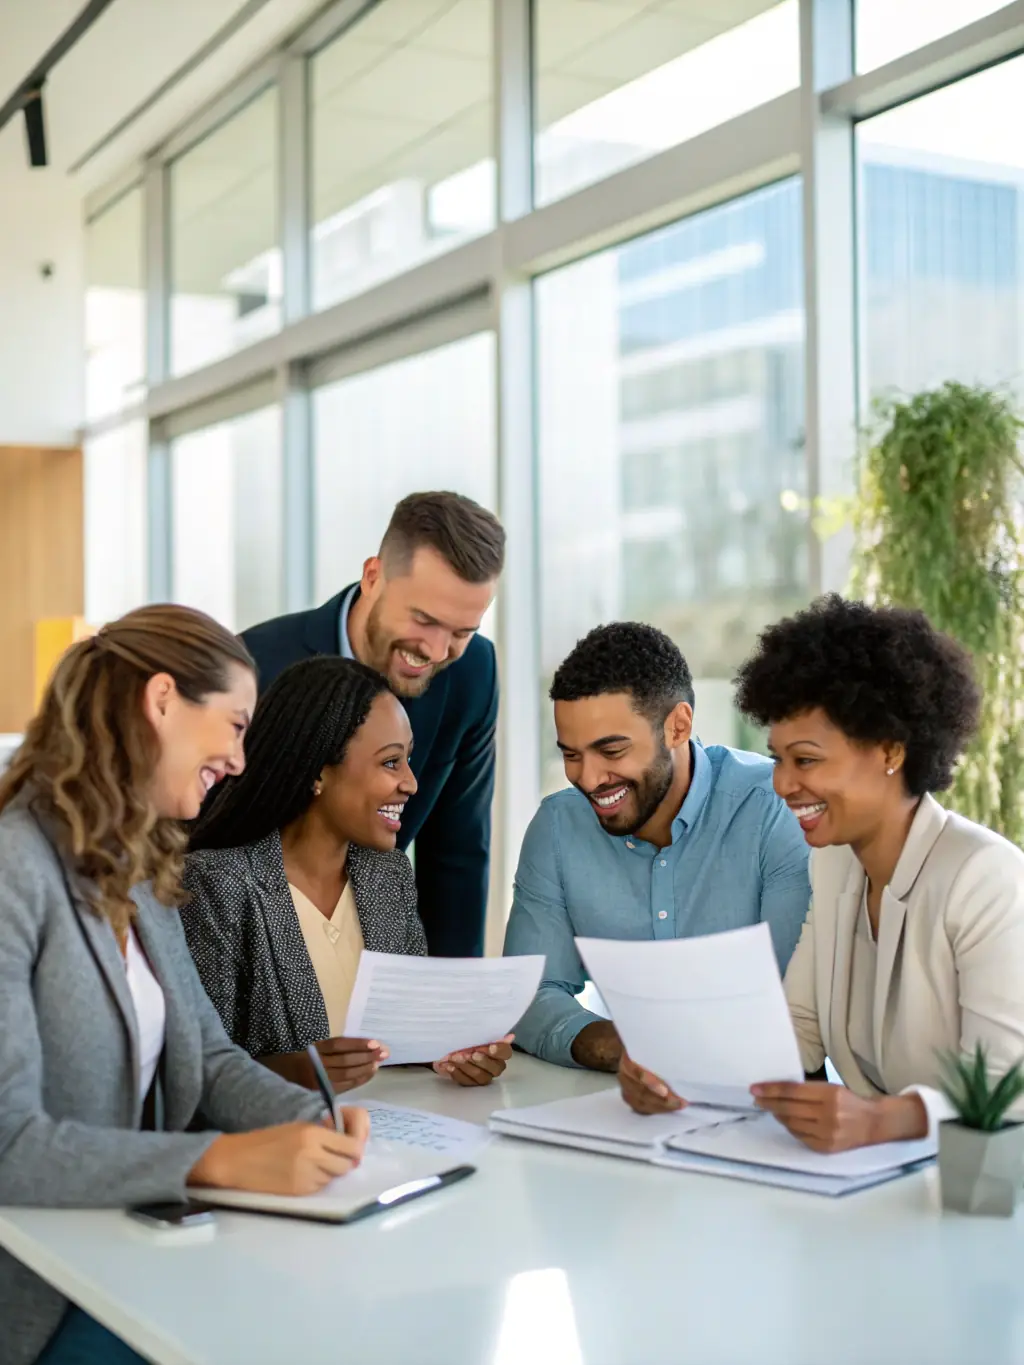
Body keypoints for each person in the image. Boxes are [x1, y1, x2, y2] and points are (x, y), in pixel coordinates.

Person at [0, 607, 369, 1365]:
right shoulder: (15, 868)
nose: (239, 759)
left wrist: (318, 1120)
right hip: (40, 1287)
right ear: (162, 699)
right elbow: (9, 1145)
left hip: (136, 1247)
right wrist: (215, 1160)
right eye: (234, 725)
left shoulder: (135, 864)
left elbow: (211, 1054)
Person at [620, 595, 1024, 1152]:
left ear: (889, 750)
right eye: (778, 758)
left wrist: (886, 1120)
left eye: (805, 760)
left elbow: (1009, 1089)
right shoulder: (837, 864)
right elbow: (798, 1028)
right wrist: (675, 1073)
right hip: (876, 1190)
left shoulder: (984, 876)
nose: (782, 783)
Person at [183, 655, 512, 1092]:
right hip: (287, 1142)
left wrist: (452, 1056)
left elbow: (409, 1040)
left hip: (400, 1135)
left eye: (408, 760)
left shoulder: (389, 877)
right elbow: (195, 1072)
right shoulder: (215, 885)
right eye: (391, 762)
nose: (412, 783)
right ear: (319, 771)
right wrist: (293, 1071)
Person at [504, 621, 810, 1072]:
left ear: (678, 726)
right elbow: (529, 992)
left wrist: (671, 1049)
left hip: (769, 1100)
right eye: (571, 754)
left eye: (611, 751)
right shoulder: (557, 828)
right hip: (627, 1106)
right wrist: (617, 1047)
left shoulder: (772, 809)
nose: (588, 778)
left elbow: (797, 1003)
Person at [240, 491, 505, 959]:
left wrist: (450, 1010)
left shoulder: (473, 673)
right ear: (372, 577)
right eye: (424, 619)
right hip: (250, 949)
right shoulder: (254, 668)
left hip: (381, 948)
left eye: (463, 632)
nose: (438, 651)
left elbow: (458, 858)